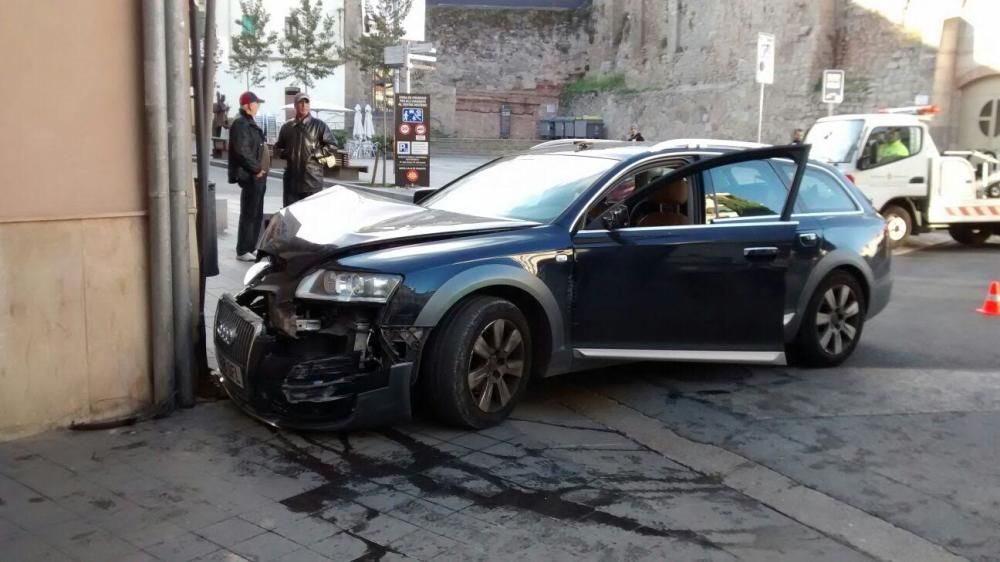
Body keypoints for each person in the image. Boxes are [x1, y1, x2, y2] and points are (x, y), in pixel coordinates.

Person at [273, 92, 340, 207]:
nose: (304, 105)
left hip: (312, 181)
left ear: (309, 106)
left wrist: (316, 153)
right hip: (291, 182)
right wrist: (286, 153)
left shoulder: (319, 125)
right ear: (295, 105)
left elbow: (333, 145)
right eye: (300, 102)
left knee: (311, 217)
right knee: (291, 217)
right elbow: (277, 148)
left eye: (306, 102)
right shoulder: (287, 127)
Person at [228, 91, 269, 262]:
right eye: (256, 103)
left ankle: (250, 247)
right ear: (248, 105)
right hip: (251, 176)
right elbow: (242, 150)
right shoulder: (241, 123)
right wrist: (256, 169)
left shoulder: (248, 122)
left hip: (257, 176)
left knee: (255, 213)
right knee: (249, 213)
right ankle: (243, 248)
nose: (258, 105)